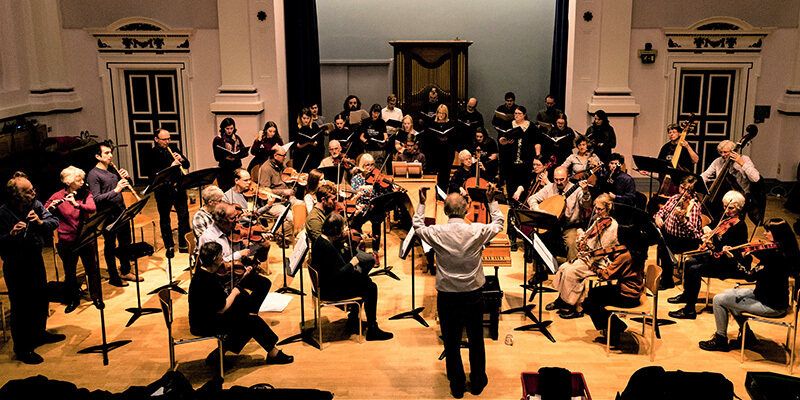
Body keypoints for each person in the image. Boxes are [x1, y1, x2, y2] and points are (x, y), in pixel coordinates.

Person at [413, 186, 503, 398]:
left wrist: (422, 203)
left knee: (451, 342)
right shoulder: (476, 230)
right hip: (473, 294)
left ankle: (457, 384)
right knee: (476, 339)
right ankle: (478, 381)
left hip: (448, 296)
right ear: (467, 210)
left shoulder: (436, 232)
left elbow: (417, 226)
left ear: (445, 211)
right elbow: (498, 223)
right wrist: (491, 202)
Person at [698, 218, 800, 352]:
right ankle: (748, 336)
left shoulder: (775, 258)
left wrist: (733, 259)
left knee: (718, 300)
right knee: (729, 294)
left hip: (771, 305)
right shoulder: (784, 251)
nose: (764, 234)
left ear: (778, 233)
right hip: (764, 295)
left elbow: (749, 275)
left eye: (768, 231)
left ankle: (720, 340)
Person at [189, 242, 293, 366]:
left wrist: (242, 279)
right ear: (215, 259)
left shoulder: (203, 273)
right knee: (250, 320)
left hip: (207, 316)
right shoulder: (207, 281)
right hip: (203, 323)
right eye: (221, 256)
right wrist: (236, 290)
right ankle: (273, 353)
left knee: (246, 310)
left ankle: (219, 353)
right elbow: (222, 308)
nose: (223, 258)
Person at [0, 171, 62, 364]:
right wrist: (11, 234)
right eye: (27, 192)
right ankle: (23, 348)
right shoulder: (2, 213)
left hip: (34, 258)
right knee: (21, 305)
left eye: (32, 189)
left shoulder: (35, 205)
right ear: (16, 195)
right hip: (15, 263)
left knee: (40, 298)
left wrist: (40, 222)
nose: (33, 194)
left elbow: (54, 221)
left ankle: (39, 333)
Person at [311, 213, 393, 341]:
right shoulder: (327, 247)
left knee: (365, 280)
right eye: (342, 228)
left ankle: (353, 318)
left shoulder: (321, 241)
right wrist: (352, 263)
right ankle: (372, 329)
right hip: (330, 290)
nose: (344, 231)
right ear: (336, 231)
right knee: (371, 287)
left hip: (323, 285)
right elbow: (337, 275)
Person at [668, 191, 749, 319]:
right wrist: (707, 234)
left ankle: (689, 310)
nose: (726, 210)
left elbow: (735, 252)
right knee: (689, 262)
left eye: (731, 208)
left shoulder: (740, 227)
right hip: (717, 257)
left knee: (695, 270)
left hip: (728, 264)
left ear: (739, 208)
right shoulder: (724, 218)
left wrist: (714, 245)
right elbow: (710, 227)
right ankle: (686, 295)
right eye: (725, 206)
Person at [548, 194, 620, 319]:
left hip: (598, 262)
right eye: (595, 208)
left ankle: (575, 307)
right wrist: (581, 237)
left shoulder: (613, 226)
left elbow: (602, 249)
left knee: (571, 272)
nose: (596, 212)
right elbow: (587, 236)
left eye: (599, 209)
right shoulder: (598, 220)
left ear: (608, 208)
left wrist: (586, 249)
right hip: (587, 257)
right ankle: (562, 299)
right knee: (563, 267)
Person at [45, 166, 98, 313]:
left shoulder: (85, 193)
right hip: (66, 240)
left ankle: (96, 296)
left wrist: (77, 204)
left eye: (82, 178)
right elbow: (44, 212)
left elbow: (92, 208)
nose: (82, 182)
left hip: (85, 237)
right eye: (78, 179)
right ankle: (73, 299)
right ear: (68, 182)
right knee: (70, 272)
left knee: (92, 268)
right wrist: (51, 208)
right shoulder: (57, 196)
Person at [87, 143, 137, 286]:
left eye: (111, 153)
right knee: (110, 246)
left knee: (125, 243)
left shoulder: (112, 170)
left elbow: (126, 186)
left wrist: (128, 178)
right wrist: (116, 190)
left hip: (121, 211)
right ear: (98, 156)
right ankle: (114, 276)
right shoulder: (93, 175)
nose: (111, 155)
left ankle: (126, 270)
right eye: (107, 153)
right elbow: (96, 198)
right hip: (107, 215)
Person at [581, 239, 643, 348]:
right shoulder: (636, 252)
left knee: (590, 302)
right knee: (593, 294)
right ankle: (614, 330)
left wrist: (593, 267)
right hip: (633, 291)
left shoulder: (625, 256)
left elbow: (606, 276)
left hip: (627, 295)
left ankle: (616, 329)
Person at [528, 166, 592, 261]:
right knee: (538, 239)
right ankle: (541, 271)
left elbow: (586, 206)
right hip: (552, 225)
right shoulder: (550, 188)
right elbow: (531, 199)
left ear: (568, 177)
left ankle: (569, 271)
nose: (558, 182)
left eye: (562, 179)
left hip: (570, 226)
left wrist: (585, 192)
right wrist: (537, 209)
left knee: (572, 242)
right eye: (556, 179)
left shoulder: (577, 190)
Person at [654, 175, 703, 289]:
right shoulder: (675, 198)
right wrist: (658, 217)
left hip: (686, 241)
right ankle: (665, 275)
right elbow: (662, 211)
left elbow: (694, 233)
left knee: (663, 246)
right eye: (682, 188)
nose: (683, 193)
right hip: (671, 236)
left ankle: (667, 281)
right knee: (659, 240)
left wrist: (683, 221)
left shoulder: (693, 206)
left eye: (688, 190)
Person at [147, 128, 191, 255]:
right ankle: (169, 246)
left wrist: (182, 160)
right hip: (163, 191)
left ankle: (184, 244)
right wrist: (170, 166)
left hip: (178, 187)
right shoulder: (151, 154)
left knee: (183, 216)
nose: (167, 141)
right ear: (156, 139)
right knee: (165, 218)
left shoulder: (174, 148)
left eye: (168, 138)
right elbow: (152, 174)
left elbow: (187, 165)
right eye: (164, 139)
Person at [701, 139, 761, 217]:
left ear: (733, 152)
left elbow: (755, 178)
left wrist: (741, 163)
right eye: (720, 152)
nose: (723, 155)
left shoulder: (744, 159)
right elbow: (706, 174)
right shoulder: (718, 161)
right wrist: (696, 181)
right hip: (722, 194)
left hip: (741, 194)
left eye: (725, 152)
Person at [256, 146, 299, 246]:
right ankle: (278, 234)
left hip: (285, 199)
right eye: (283, 156)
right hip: (272, 203)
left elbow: (286, 179)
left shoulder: (280, 165)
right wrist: (284, 192)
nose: (285, 158)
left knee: (301, 206)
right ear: (275, 155)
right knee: (291, 217)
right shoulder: (265, 169)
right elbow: (264, 191)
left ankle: (295, 234)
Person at [350, 153, 391, 253]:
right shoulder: (356, 179)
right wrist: (364, 190)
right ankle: (360, 244)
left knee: (376, 226)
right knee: (354, 224)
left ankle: (375, 251)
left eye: (372, 164)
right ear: (362, 166)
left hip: (374, 207)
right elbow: (356, 192)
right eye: (367, 165)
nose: (370, 167)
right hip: (361, 207)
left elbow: (381, 193)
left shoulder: (377, 177)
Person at [425, 104, 457, 190]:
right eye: (439, 113)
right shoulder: (432, 124)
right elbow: (427, 140)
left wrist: (447, 138)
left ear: (446, 114)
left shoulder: (451, 124)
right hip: (435, 153)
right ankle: (435, 194)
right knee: (436, 175)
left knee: (445, 175)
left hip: (447, 153)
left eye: (443, 113)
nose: (441, 115)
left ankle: (443, 195)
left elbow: (454, 140)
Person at [212, 117, 247, 192]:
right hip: (225, 170)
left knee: (237, 190)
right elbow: (217, 157)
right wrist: (226, 157)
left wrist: (238, 155)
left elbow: (243, 151)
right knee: (227, 191)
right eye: (227, 128)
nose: (229, 131)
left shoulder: (236, 138)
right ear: (223, 128)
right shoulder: (218, 139)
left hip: (236, 167)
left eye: (231, 128)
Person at [291, 108, 323, 173]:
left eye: (308, 118)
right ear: (300, 118)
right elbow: (296, 145)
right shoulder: (296, 128)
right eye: (304, 118)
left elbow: (319, 140)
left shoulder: (314, 126)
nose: (306, 120)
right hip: (300, 156)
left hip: (313, 156)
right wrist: (308, 142)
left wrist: (316, 142)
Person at [359, 104, 389, 169]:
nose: (375, 115)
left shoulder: (381, 122)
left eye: (377, 113)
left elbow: (385, 135)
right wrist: (366, 141)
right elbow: (361, 137)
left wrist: (385, 140)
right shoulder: (366, 121)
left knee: (379, 168)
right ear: (371, 112)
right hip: (368, 148)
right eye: (374, 112)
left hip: (379, 149)